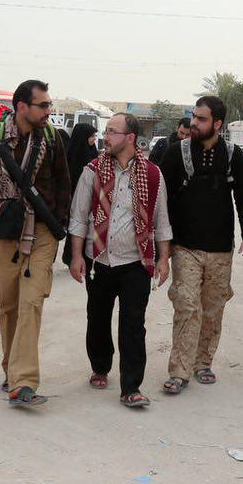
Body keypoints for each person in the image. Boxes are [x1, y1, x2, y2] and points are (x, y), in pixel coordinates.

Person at [0, 80, 71, 405]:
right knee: (9, 303)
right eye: (43, 105)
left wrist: (61, 224)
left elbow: (64, 183)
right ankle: (11, 369)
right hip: (2, 229)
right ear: (22, 107)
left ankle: (23, 381)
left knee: (31, 302)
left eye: (49, 105)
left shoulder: (52, 138)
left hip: (42, 230)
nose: (48, 111)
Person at [68, 113, 171, 408]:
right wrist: (76, 256)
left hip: (136, 263)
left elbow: (161, 221)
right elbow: (78, 217)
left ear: (130, 138)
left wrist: (163, 258)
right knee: (98, 319)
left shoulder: (152, 174)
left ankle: (131, 387)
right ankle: (100, 367)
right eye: (106, 131)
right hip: (99, 261)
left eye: (112, 132)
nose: (106, 137)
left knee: (133, 325)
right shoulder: (92, 171)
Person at [158, 95, 243, 394]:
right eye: (193, 117)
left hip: (220, 247)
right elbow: (161, 199)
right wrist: (161, 241)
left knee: (213, 309)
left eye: (201, 119)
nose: (194, 123)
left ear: (217, 123)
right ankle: (179, 371)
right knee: (187, 306)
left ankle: (203, 363)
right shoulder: (176, 153)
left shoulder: (233, 155)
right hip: (185, 246)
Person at [61, 122, 99, 266]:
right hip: (74, 198)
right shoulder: (72, 155)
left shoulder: (93, 153)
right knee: (76, 227)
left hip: (92, 198)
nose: (94, 139)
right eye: (91, 136)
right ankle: (71, 256)